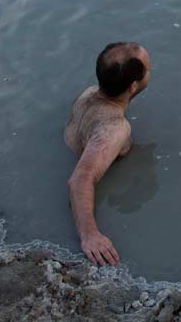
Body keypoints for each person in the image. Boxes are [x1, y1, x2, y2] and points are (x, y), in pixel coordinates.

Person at [64, 42, 151, 266]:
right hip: (97, 163)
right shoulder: (115, 128)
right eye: (149, 70)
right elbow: (79, 179)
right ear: (133, 86)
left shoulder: (89, 93)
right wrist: (90, 235)